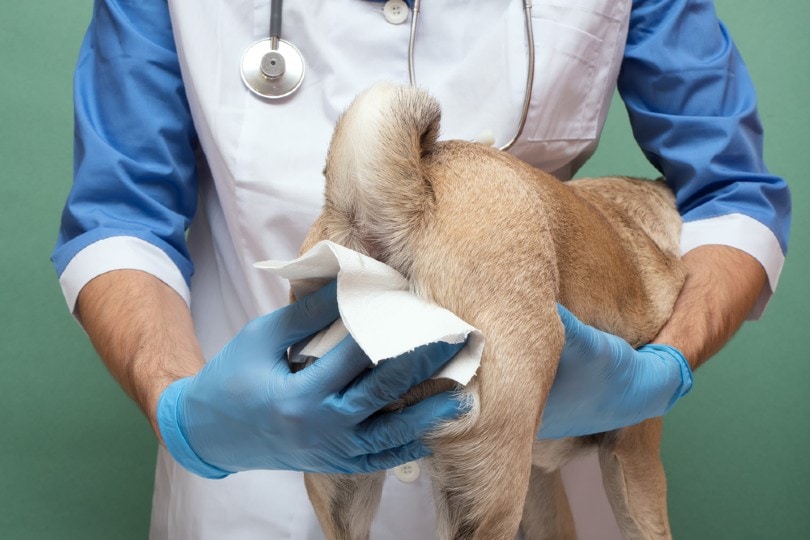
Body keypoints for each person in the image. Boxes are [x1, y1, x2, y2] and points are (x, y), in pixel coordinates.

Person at [53, 0, 790, 538]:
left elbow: (733, 195)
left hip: (535, 459)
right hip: (266, 488)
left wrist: (667, 364)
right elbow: (120, 220)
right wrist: (189, 412)